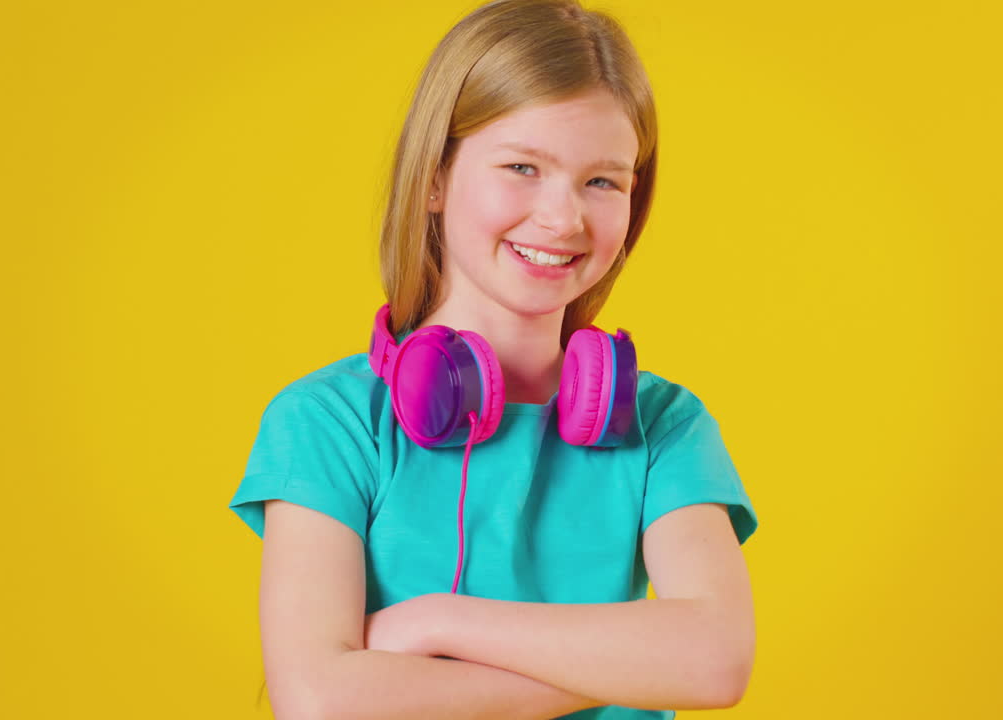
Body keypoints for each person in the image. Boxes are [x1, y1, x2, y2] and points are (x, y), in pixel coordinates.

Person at [228, 0, 760, 717]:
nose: (563, 218)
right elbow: (323, 703)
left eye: (602, 181)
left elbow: (714, 663)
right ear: (437, 180)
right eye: (521, 166)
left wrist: (439, 621)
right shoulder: (328, 423)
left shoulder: (664, 425)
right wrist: (629, 667)